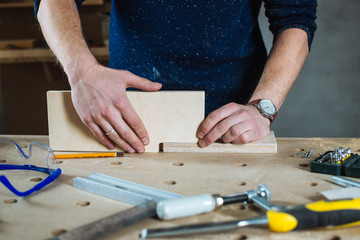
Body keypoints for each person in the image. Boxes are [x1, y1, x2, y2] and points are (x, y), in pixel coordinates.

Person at [34, 0, 317, 153]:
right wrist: (81, 72)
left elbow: (295, 20)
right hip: (124, 118)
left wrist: (262, 108)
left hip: (233, 123)